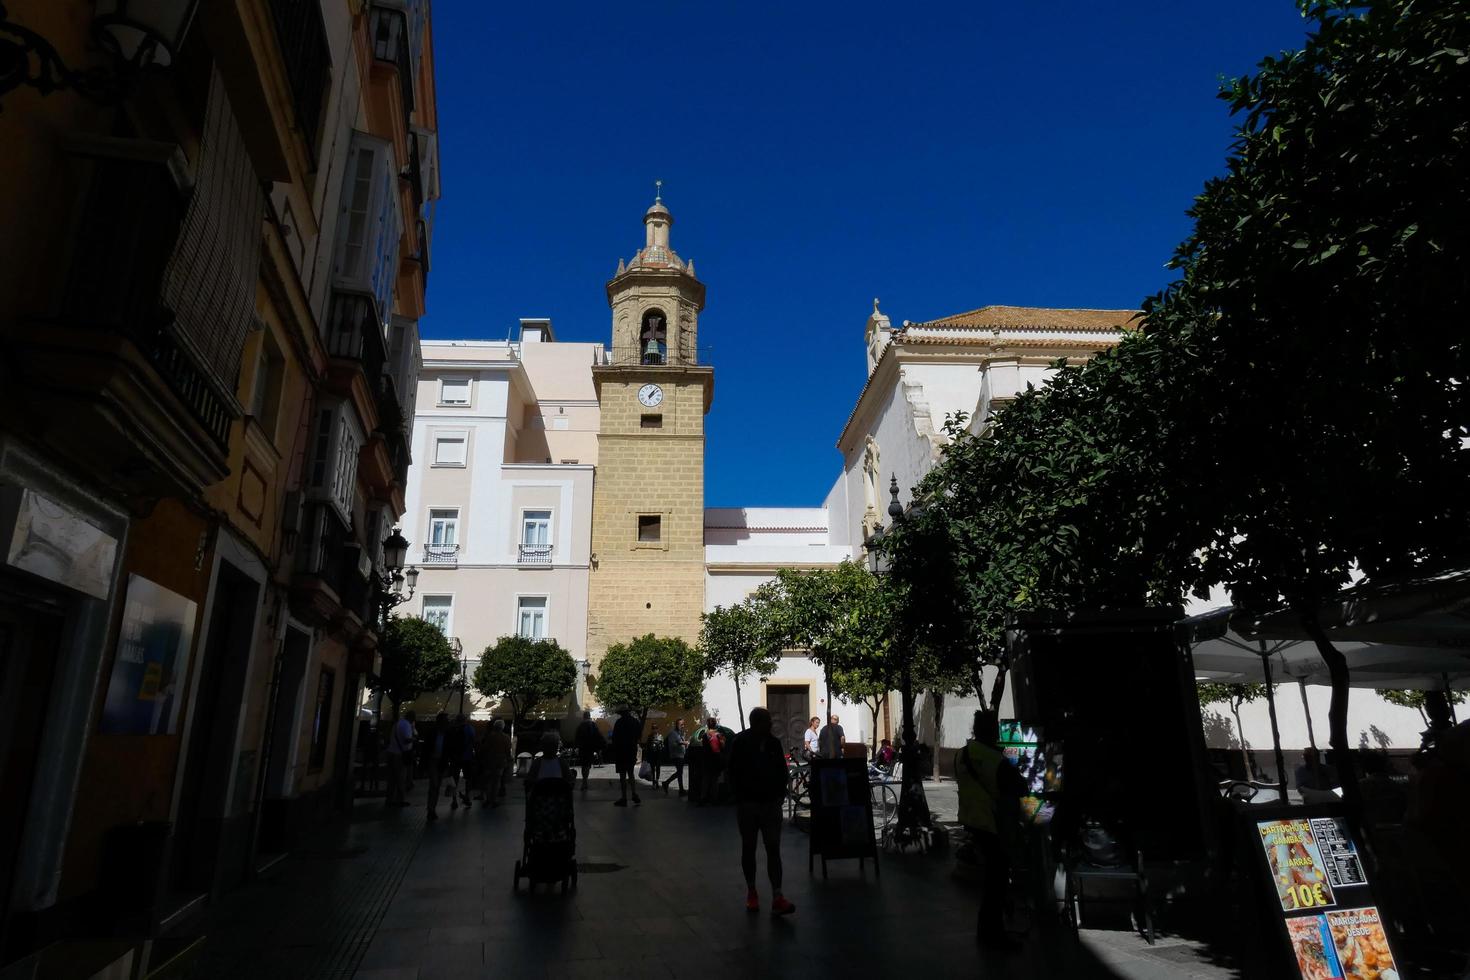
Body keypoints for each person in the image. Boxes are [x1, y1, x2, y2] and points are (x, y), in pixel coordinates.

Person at [955, 710, 1025, 949]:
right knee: (996, 882)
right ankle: (992, 934)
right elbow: (1018, 786)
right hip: (992, 823)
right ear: (992, 730)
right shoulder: (996, 758)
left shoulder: (962, 754)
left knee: (991, 881)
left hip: (970, 819)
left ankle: (989, 931)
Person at [728, 706, 795, 916]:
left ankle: (777, 895)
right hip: (748, 804)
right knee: (749, 847)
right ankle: (752, 891)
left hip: (769, 804)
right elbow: (732, 771)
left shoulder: (773, 743)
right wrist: (739, 797)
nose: (771, 724)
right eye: (767, 721)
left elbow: (782, 771)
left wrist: (779, 795)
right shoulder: (740, 742)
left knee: (773, 848)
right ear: (756, 723)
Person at [610, 706, 643, 807]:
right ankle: (634, 793)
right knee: (631, 773)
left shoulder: (619, 723)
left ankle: (624, 797)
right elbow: (639, 735)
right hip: (631, 750)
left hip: (621, 752)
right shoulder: (635, 722)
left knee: (622, 775)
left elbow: (614, 738)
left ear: (621, 713)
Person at [695, 717, 728, 805]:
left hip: (707, 759)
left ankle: (703, 798)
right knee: (714, 780)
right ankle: (714, 799)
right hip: (716, 759)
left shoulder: (705, 735)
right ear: (715, 724)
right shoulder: (719, 735)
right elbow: (723, 746)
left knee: (706, 779)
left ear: (708, 725)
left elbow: (703, 747)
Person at [386, 709, 415, 807]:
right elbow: (407, 739)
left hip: (391, 752)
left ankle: (389, 799)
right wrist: (414, 739)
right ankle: (400, 800)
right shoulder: (407, 725)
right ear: (412, 718)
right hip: (400, 755)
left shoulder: (397, 723)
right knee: (401, 778)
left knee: (392, 778)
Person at [482, 720, 514, 807]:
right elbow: (508, 751)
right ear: (502, 727)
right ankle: (494, 799)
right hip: (501, 762)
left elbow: (485, 748)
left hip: (490, 761)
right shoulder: (506, 738)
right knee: (497, 781)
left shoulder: (490, 736)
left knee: (488, 781)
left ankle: (488, 799)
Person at [426, 712, 451, 821]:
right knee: (434, 785)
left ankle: (432, 808)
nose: (447, 723)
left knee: (436, 786)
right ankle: (431, 809)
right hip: (432, 761)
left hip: (441, 762)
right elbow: (426, 748)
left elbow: (450, 749)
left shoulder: (448, 734)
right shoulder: (433, 733)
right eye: (445, 721)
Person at [574, 710, 605, 791]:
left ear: (584, 716)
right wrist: (598, 748)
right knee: (587, 765)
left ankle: (584, 781)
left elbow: (577, 737)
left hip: (582, 748)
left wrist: (577, 747)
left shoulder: (580, 725)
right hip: (590, 748)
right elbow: (597, 736)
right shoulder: (593, 724)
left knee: (584, 765)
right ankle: (585, 781)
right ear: (589, 716)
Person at [662, 718, 689, 795]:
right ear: (676, 725)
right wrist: (683, 743)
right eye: (681, 724)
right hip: (676, 755)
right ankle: (666, 783)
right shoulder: (673, 733)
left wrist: (684, 744)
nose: (682, 726)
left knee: (680, 772)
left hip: (680, 755)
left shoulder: (679, 733)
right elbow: (673, 744)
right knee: (680, 772)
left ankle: (680, 790)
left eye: (683, 724)